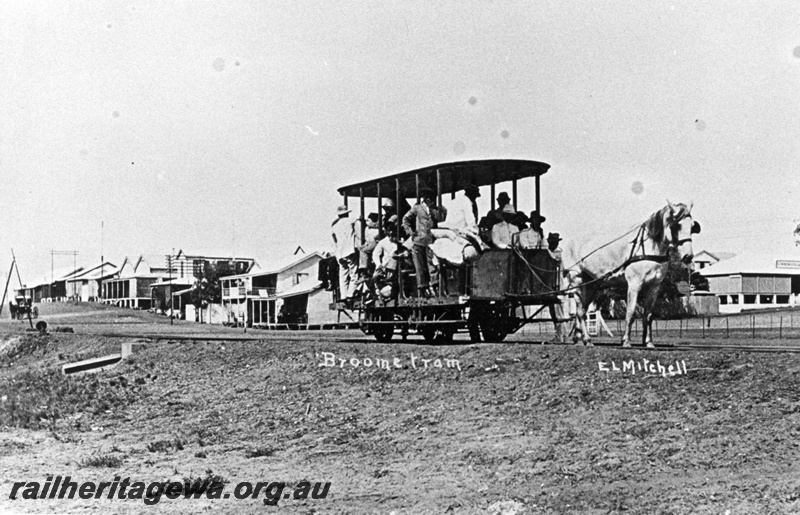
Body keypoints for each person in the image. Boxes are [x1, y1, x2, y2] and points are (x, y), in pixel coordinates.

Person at [402, 186, 445, 297]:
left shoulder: (437, 209)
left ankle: (435, 285)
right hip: (418, 241)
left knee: (432, 265)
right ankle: (423, 288)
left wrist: (433, 210)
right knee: (420, 267)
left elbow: (442, 219)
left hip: (431, 241)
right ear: (425, 198)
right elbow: (405, 219)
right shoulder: (416, 208)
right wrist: (410, 232)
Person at [331, 205, 358, 303]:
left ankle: (343, 295)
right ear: (347, 213)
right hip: (350, 250)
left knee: (343, 275)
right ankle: (350, 294)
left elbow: (334, 240)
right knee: (354, 273)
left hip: (340, 253)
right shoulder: (351, 221)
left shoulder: (334, 225)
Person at [372, 218, 400, 299]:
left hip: (395, 266)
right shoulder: (383, 242)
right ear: (386, 231)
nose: (391, 233)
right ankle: (379, 293)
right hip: (385, 267)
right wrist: (378, 264)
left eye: (392, 230)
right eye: (389, 231)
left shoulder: (397, 241)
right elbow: (375, 254)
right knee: (376, 277)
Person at [546, 232, 566, 343]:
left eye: (556, 242)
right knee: (554, 312)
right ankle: (561, 335)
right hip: (551, 286)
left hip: (558, 286)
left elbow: (563, 271)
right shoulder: (547, 252)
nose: (554, 244)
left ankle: (560, 336)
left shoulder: (558, 254)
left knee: (558, 312)